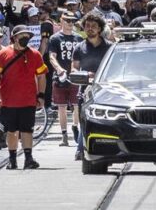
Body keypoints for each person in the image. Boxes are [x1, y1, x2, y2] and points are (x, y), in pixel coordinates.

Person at [0, 24, 48, 170]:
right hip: (8, 101)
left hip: (28, 101)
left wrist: (41, 95)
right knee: (11, 131)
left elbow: (41, 76)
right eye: (22, 36)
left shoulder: (35, 55)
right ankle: (12, 159)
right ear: (14, 38)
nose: (25, 38)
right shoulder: (3, 54)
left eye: (27, 36)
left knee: (27, 129)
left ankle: (28, 158)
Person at [72, 12, 112, 161]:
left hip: (105, 90)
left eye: (93, 26)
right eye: (87, 26)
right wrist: (83, 75)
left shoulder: (109, 47)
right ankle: (81, 148)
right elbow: (74, 68)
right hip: (85, 90)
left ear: (100, 29)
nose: (90, 29)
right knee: (84, 119)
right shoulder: (79, 47)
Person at [47, 12, 81, 148]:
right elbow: (51, 57)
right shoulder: (55, 38)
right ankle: (64, 134)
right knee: (61, 107)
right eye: (67, 20)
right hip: (60, 76)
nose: (70, 23)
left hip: (75, 76)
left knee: (77, 105)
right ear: (61, 21)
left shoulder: (79, 38)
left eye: (72, 21)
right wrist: (59, 69)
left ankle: (75, 127)